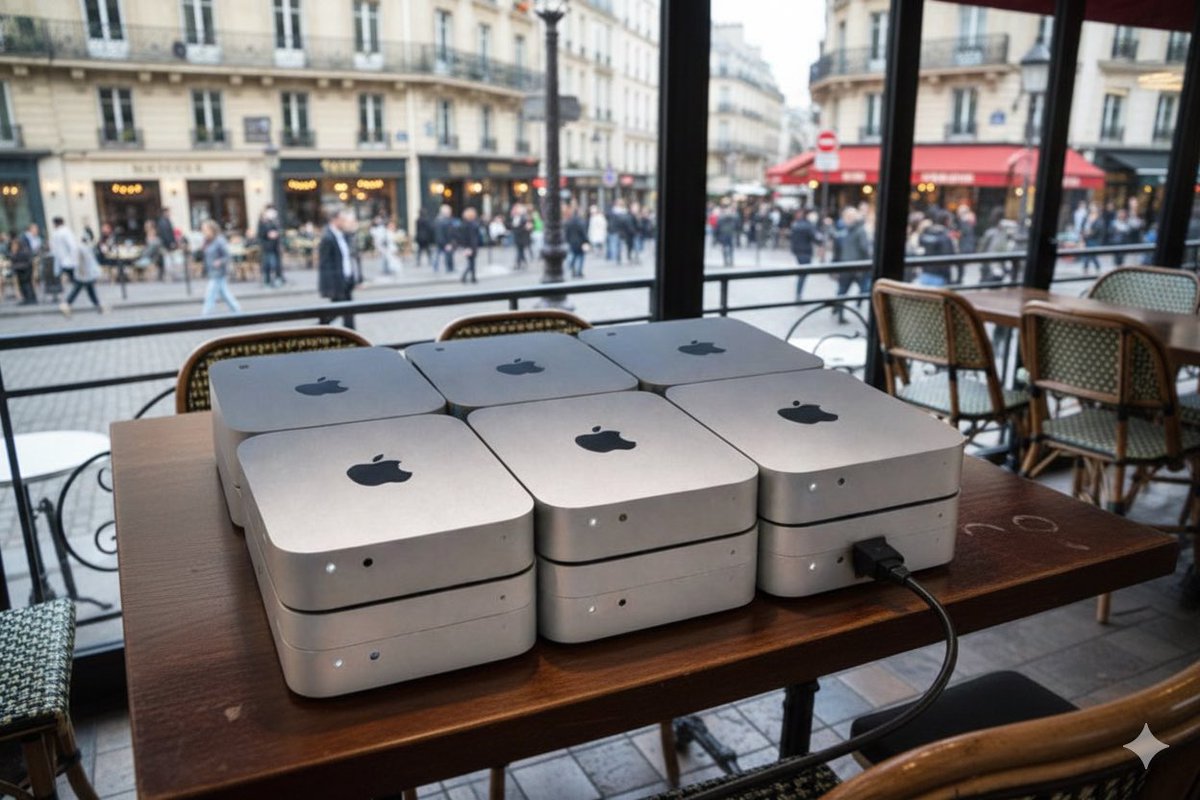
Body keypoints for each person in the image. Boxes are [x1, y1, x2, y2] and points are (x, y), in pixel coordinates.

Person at [317, 208, 362, 328]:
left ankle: (352, 335)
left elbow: (351, 255)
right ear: (335, 220)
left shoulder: (342, 235)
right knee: (336, 311)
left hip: (346, 280)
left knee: (348, 310)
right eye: (342, 220)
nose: (344, 222)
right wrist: (329, 287)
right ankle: (317, 329)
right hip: (337, 282)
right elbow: (324, 264)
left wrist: (355, 279)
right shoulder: (328, 237)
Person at [833, 206, 873, 323]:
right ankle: (840, 311)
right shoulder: (851, 230)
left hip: (850, 265)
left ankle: (839, 310)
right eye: (846, 216)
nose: (847, 219)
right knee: (856, 290)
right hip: (853, 266)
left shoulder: (847, 230)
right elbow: (865, 248)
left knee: (845, 291)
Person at [58, 222, 103, 315]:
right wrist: (83, 272)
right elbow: (82, 261)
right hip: (83, 273)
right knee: (79, 289)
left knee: (89, 289)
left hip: (85, 273)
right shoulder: (83, 248)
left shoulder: (84, 246)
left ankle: (98, 305)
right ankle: (66, 304)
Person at [200, 219, 241, 315]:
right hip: (212, 271)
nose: (204, 232)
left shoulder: (219, 241)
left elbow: (227, 256)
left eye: (205, 230)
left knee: (210, 294)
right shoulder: (207, 241)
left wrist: (219, 262)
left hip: (218, 272)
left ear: (212, 229)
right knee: (225, 293)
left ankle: (205, 315)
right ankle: (237, 310)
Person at [915, 211, 956, 286]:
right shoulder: (945, 236)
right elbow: (949, 256)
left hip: (925, 273)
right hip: (939, 276)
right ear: (946, 221)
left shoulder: (927, 231)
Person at [789, 208, 821, 300]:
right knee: (803, 274)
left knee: (802, 273)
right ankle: (798, 294)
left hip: (798, 252)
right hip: (805, 252)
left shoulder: (796, 224)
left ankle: (798, 293)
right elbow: (817, 238)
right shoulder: (808, 225)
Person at [977, 208, 1011, 283]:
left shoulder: (995, 232)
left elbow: (982, 247)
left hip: (992, 263)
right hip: (993, 263)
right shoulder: (1001, 232)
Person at [10, 223, 39, 305]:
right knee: (27, 283)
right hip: (25, 266)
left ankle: (29, 299)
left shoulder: (22, 242)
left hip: (23, 267)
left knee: (25, 283)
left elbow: (22, 255)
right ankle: (31, 298)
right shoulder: (24, 239)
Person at [258, 206, 283, 286]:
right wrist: (268, 234)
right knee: (268, 264)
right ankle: (268, 280)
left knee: (275, 264)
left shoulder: (274, 221)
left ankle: (277, 278)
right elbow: (261, 234)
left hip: (275, 246)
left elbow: (279, 230)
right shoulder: (262, 222)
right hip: (267, 247)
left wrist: (276, 234)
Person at [456, 207, 481, 284]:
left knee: (471, 263)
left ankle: (472, 277)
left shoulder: (464, 224)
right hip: (471, 246)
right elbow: (472, 237)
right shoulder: (471, 225)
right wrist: (470, 248)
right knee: (471, 263)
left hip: (468, 246)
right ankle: (467, 277)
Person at [565, 204, 589, 278]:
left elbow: (567, 232)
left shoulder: (569, 222)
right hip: (580, 242)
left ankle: (573, 269)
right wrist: (586, 241)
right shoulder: (581, 222)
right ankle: (579, 271)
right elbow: (583, 232)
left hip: (572, 242)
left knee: (574, 255)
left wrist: (568, 240)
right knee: (581, 257)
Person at [432, 204, 457, 274]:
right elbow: (440, 234)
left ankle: (445, 267)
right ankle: (448, 268)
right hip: (444, 242)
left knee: (439, 254)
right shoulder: (441, 221)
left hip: (445, 241)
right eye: (448, 211)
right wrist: (445, 243)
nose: (450, 213)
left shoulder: (444, 220)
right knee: (442, 254)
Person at [155, 207, 177, 281]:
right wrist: (171, 243)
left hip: (166, 244)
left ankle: (169, 276)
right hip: (166, 245)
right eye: (168, 212)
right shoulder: (164, 222)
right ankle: (169, 276)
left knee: (168, 260)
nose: (169, 214)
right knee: (168, 260)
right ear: (165, 212)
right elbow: (166, 234)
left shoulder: (164, 221)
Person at [714, 201, 738, 267]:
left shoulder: (732, 217)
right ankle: (726, 261)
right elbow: (718, 226)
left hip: (729, 234)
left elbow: (736, 223)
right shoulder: (723, 217)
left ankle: (730, 261)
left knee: (730, 249)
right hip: (724, 235)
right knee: (725, 249)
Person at [510, 203, 532, 269]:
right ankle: (522, 263)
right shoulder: (516, 217)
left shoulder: (524, 217)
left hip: (522, 237)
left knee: (520, 251)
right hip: (518, 237)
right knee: (520, 251)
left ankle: (518, 263)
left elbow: (527, 227)